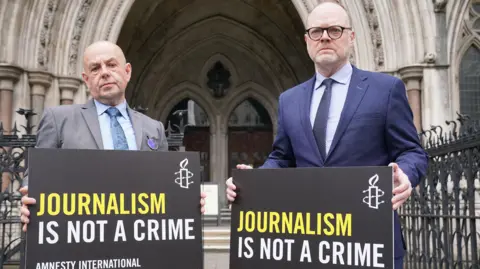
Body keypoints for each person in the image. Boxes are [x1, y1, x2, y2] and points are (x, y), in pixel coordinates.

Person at [226, 2, 428, 268]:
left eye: (334, 30)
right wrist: (252, 181)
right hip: (309, 242)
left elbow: (412, 151)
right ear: (307, 40)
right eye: (317, 31)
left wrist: (406, 173)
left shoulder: (386, 89)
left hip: (369, 240)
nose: (324, 37)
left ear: (352, 37)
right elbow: (282, 158)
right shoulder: (290, 100)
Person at [20, 40, 206, 231]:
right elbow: (36, 177)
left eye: (111, 65)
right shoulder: (58, 120)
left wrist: (186, 201)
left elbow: (165, 186)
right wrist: (28, 200)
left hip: (139, 238)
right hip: (82, 240)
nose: (104, 72)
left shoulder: (154, 128)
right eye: (95, 68)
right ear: (86, 79)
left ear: (127, 72)